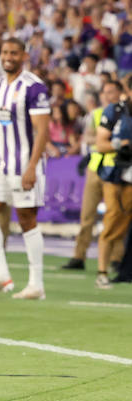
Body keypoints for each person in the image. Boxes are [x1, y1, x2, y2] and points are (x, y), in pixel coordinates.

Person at [0, 39, 52, 300]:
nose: (8, 57)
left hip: (25, 164)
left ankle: (36, 284)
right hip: (1, 164)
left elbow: (42, 130)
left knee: (27, 219)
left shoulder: (33, 86)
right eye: (5, 52)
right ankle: (1, 274)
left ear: (23, 56)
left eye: (13, 53)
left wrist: (32, 166)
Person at [67, 78, 123, 271]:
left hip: (115, 169)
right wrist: (107, 140)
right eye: (105, 92)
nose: (107, 96)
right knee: (87, 215)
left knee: (114, 215)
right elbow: (88, 136)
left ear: (119, 93)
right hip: (95, 167)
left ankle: (116, 258)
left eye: (111, 92)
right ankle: (78, 256)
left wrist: (103, 140)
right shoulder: (97, 113)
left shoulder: (125, 114)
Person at [89, 80, 132, 289]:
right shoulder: (115, 111)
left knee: (124, 224)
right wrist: (121, 145)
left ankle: (121, 267)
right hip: (115, 173)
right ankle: (102, 271)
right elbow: (101, 143)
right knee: (113, 219)